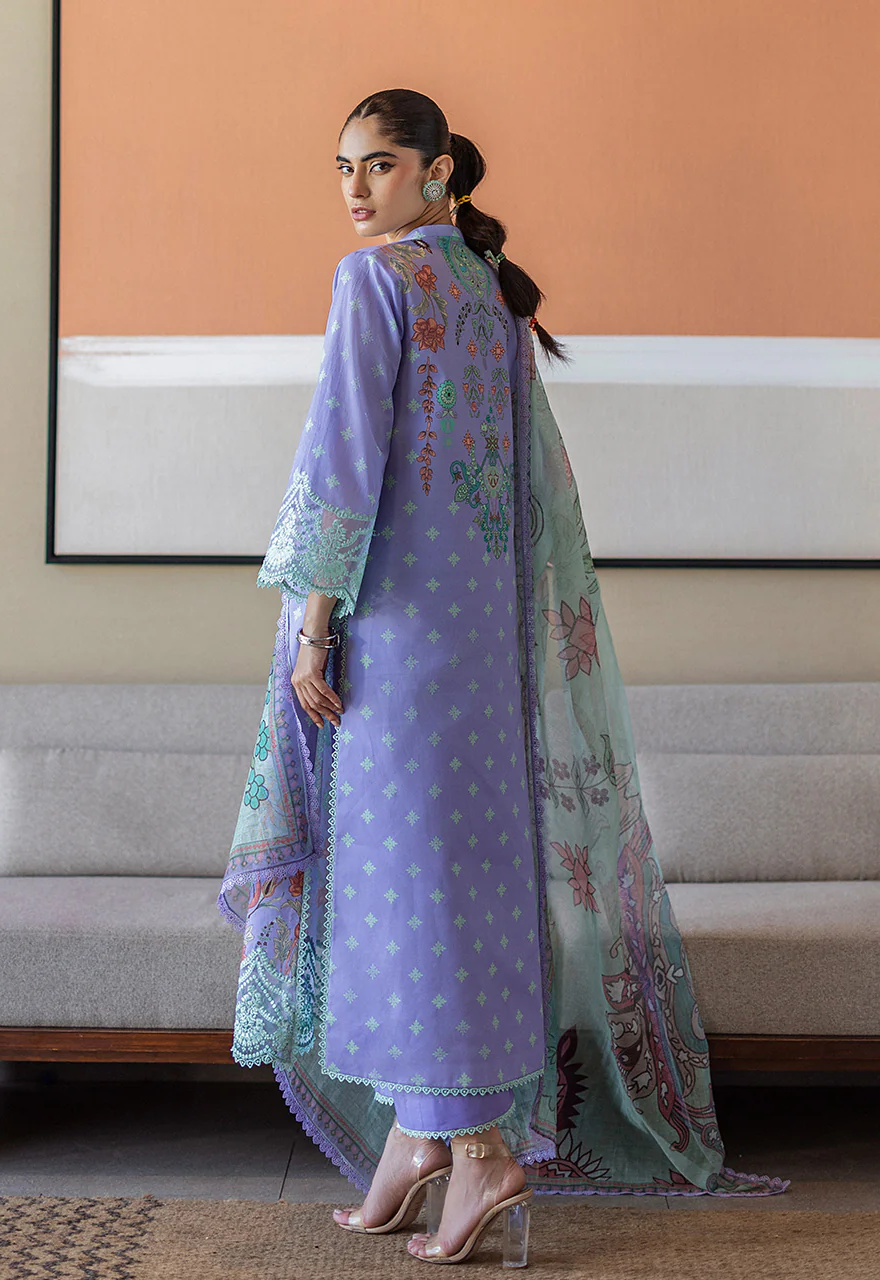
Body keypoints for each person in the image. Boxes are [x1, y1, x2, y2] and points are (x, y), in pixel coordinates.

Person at [217, 88, 788, 1266]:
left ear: (440, 173)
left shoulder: (376, 279)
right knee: (456, 880)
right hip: (482, 643)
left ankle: (477, 1148)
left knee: (406, 884)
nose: (356, 188)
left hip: (397, 636)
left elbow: (345, 458)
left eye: (380, 164)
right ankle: (419, 1137)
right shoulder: (486, 290)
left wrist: (315, 628)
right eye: (344, 166)